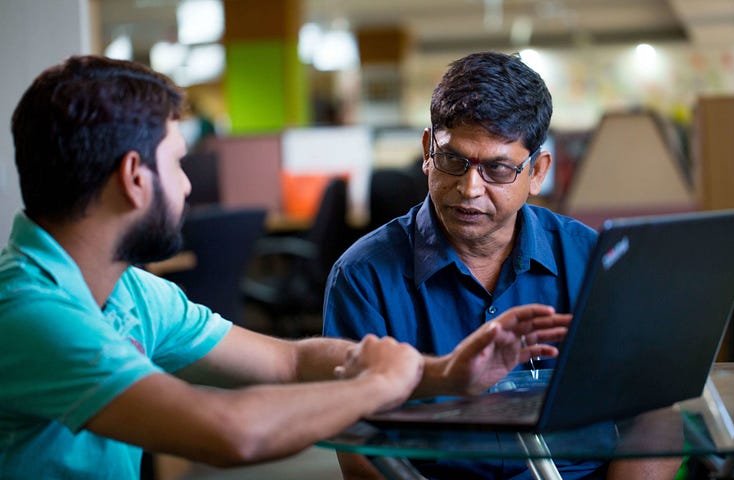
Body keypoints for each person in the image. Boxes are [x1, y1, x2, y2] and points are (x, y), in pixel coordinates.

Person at [0, 55, 572, 480]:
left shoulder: (130, 292)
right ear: (134, 178)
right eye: (176, 163)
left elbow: (290, 358)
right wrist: (378, 386)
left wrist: (444, 373)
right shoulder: (31, 315)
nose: (188, 183)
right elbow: (231, 434)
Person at [323, 52, 682, 479]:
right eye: (453, 160)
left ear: (537, 173)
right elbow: (358, 446)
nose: (469, 188)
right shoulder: (363, 278)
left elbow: (654, 413)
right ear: (426, 151)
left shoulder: (594, 261)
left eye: (497, 169)